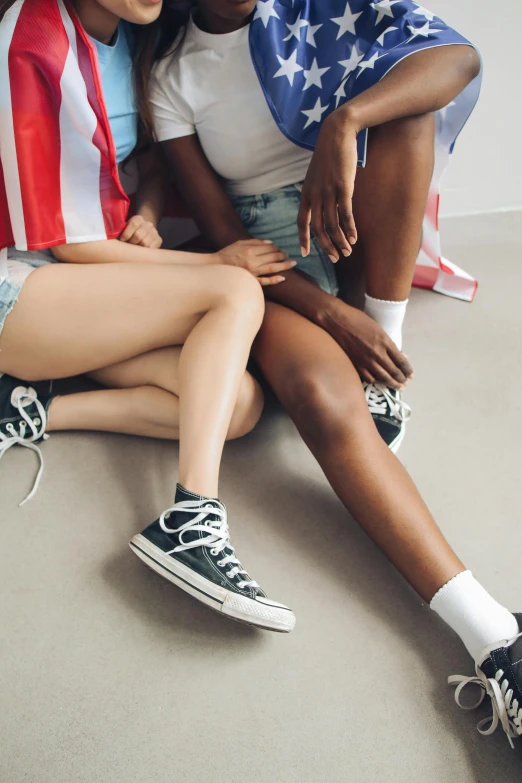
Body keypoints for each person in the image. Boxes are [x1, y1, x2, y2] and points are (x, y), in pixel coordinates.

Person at [145, 0, 522, 745]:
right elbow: (224, 236)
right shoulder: (171, 75)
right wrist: (328, 314)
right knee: (320, 395)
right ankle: (497, 639)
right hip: (271, 265)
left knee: (408, 111)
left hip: (349, 221)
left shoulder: (316, 8)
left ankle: (384, 353)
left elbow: (460, 60)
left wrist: (344, 123)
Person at [0, 0, 297, 633]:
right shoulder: (33, 36)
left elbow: (148, 165)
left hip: (80, 283)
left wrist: (149, 214)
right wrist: (219, 260)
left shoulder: (134, 39)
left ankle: (26, 408)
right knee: (235, 293)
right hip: (19, 284)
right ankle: (192, 519)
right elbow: (68, 242)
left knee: (236, 409)